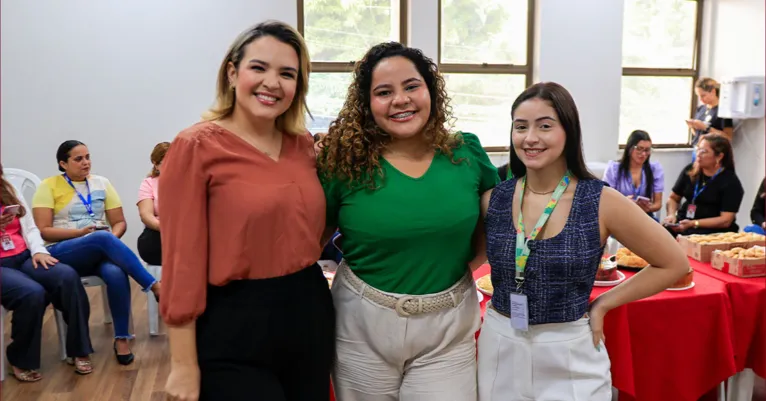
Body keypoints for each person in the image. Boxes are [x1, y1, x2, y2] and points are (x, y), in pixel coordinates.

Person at [481, 82, 689, 401]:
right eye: (520, 127)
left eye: (545, 126)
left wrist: (604, 304)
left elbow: (673, 263)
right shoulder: (493, 199)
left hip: (569, 348)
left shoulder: (600, 200)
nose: (530, 138)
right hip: (500, 343)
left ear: (569, 131)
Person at [160, 21, 334, 401]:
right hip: (233, 321)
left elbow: (308, 226)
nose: (272, 83)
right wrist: (183, 364)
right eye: (259, 67)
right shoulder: (195, 147)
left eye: (287, 74)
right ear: (232, 71)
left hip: (308, 308)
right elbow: (181, 261)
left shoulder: (302, 145)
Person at [318, 42, 498, 401]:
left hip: (448, 330)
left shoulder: (466, 152)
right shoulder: (344, 163)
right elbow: (308, 243)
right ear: (367, 105)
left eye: (411, 86)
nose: (400, 100)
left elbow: (496, 228)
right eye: (384, 92)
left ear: (431, 90)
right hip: (361, 327)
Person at [32, 140, 161, 365]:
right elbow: (44, 231)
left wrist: (108, 241)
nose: (86, 163)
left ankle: (122, 339)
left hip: (97, 248)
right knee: (101, 237)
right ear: (63, 163)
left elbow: (119, 222)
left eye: (88, 157)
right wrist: (82, 234)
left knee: (115, 272)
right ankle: (154, 286)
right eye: (78, 159)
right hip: (61, 251)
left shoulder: (102, 183)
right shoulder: (48, 186)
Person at [0, 165, 94, 379]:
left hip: (24, 255)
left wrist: (38, 251)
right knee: (32, 293)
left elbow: (31, 228)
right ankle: (19, 358)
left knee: (66, 276)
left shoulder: (8, 189)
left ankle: (79, 350)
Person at [663, 134, 744, 236]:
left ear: (719, 156)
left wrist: (694, 223)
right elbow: (673, 198)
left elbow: (725, 220)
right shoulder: (690, 170)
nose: (698, 154)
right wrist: (671, 215)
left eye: (704, 152)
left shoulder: (730, 182)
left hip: (711, 231)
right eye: (698, 149)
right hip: (683, 223)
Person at [602, 130, 664, 219]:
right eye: (639, 149)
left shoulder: (654, 169)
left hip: (644, 216)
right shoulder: (614, 169)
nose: (643, 154)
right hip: (620, 216)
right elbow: (606, 200)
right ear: (630, 148)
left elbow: (657, 204)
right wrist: (624, 202)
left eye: (647, 150)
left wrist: (647, 207)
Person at [136, 141, 170, 266]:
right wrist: (166, 228)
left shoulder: (189, 182)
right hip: (158, 231)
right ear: (156, 164)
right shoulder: (149, 183)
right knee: (150, 242)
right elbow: (146, 215)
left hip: (186, 231)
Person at [687, 77, 733, 162]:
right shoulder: (701, 109)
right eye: (698, 96)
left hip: (713, 154)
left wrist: (706, 128)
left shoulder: (723, 111)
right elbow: (697, 134)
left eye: (703, 95)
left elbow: (728, 137)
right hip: (697, 149)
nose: (701, 99)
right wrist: (693, 126)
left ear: (713, 92)